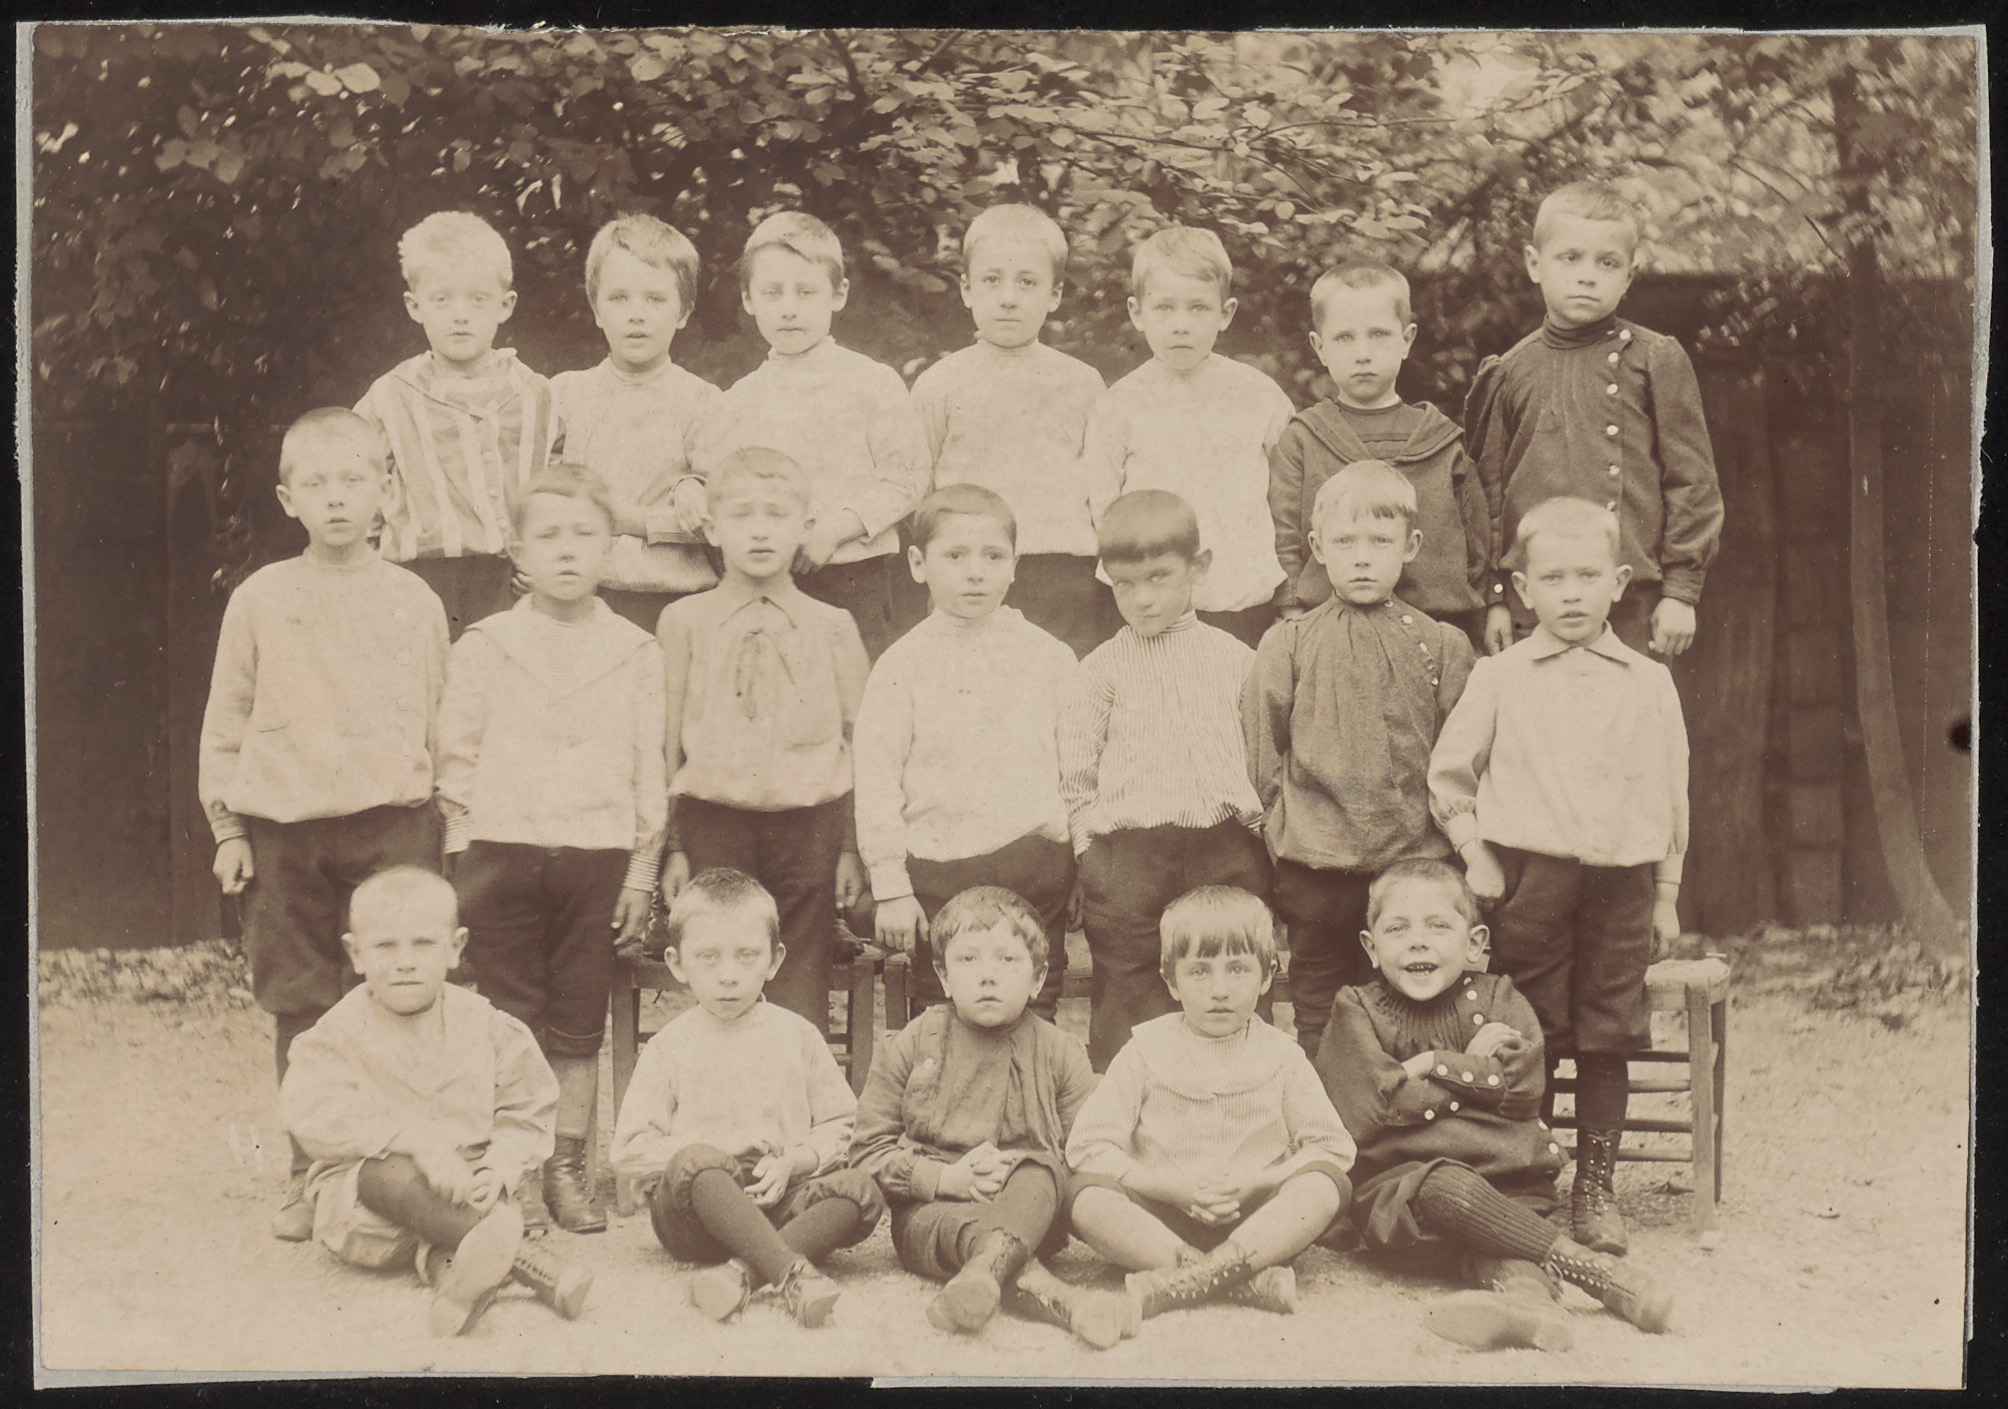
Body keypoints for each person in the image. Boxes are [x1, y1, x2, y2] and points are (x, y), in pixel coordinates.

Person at [198, 407, 450, 1242]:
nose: (336, 498)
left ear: (385, 491)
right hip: (287, 833)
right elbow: (227, 720)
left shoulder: (413, 599)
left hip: (394, 828)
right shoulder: (260, 599)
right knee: (302, 1002)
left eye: (353, 480)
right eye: (316, 483)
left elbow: (443, 718)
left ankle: (401, 1168)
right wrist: (229, 827)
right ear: (287, 499)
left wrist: (449, 822)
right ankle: (310, 1169)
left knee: (400, 990)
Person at [1428, 496, 1689, 1256]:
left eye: (1587, 576)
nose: (1571, 594)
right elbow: (1449, 774)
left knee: (1608, 1030)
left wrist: (1667, 895)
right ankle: (1529, 1180)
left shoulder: (1648, 682)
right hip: (1530, 882)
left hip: (1623, 882)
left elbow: (1671, 794)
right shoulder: (1501, 675)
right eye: (1552, 578)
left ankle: (1595, 1189)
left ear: (1620, 582)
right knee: (1529, 1030)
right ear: (1522, 588)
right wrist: (1475, 851)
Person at [436, 461, 666, 1234]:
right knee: (510, 1018)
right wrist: (465, 858)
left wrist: (640, 873)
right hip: (501, 853)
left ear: (610, 548)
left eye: (585, 534)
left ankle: (568, 1165)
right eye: (549, 536)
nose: (567, 550)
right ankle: (519, 1170)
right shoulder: (488, 643)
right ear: (518, 552)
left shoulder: (635, 649)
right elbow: (456, 754)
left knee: (577, 1017)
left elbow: (648, 769)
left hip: (596, 858)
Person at [1313, 859, 1673, 1346]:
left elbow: (1521, 1090)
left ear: (1475, 943)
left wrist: (1425, 1067)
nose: (1418, 941)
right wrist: (1468, 1067)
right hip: (1407, 1205)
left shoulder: (1500, 997)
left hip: (1508, 1191)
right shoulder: (1356, 1009)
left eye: (1438, 926)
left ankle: (1529, 1309)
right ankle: (1595, 1272)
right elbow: (1372, 1108)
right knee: (1445, 1183)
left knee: (1506, 1250)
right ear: (1371, 948)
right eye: (1397, 928)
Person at [278, 867, 592, 1337]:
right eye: (385, 946)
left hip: (467, 1190)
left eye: (423, 944)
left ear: (455, 948)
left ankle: (458, 1283)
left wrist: (499, 1168)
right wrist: (414, 1143)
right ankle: (535, 1265)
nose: (404, 962)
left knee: (454, 1242)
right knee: (386, 1172)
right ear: (355, 954)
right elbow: (311, 1114)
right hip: (373, 1208)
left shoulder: (488, 1027)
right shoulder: (335, 1035)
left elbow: (528, 1106)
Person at [1243, 463, 1476, 1062]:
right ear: (1318, 548)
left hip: (1411, 867)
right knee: (1319, 1006)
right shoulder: (1288, 643)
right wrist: (1285, 834)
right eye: (1345, 542)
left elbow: (1458, 757)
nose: (1363, 558)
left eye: (1380, 541)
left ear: (1411, 547)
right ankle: (1328, 1115)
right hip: (1316, 868)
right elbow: (1263, 753)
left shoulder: (1442, 645)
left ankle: (1404, 1112)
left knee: (1407, 1006)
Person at [848, 886, 1131, 1348]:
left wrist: (1024, 1176)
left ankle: (985, 1275)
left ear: (1038, 979)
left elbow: (1089, 1152)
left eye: (1007, 960)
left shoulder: (1061, 1053)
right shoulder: (912, 1043)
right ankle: (1064, 1300)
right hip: (934, 1217)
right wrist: (944, 1179)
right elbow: (865, 1152)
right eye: (968, 960)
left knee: (1039, 1169)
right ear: (943, 976)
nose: (987, 976)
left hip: (1032, 1213)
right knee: (961, 1228)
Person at [609, 869, 885, 1328]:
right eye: (708, 958)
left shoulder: (798, 1035)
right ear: (677, 964)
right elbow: (628, 1151)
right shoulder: (669, 1046)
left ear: (774, 961)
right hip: (695, 1219)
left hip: (778, 1205)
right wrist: (718, 1146)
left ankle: (743, 1274)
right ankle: (789, 1271)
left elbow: (843, 1124)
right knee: (697, 1160)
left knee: (860, 1190)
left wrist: (793, 1161)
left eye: (746, 956)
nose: (728, 976)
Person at [1064, 887, 1355, 1321]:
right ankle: (1236, 1278)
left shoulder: (1282, 1054)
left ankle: (1200, 1274)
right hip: (1162, 1218)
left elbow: (1331, 1146)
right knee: (1085, 1196)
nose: (1220, 990)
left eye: (1237, 969)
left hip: (1256, 1220)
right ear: (1171, 982)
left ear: (1266, 976)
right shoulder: (1145, 1049)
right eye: (1199, 972)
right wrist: (1167, 1187)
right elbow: (1089, 1146)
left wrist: (1259, 1180)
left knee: (1326, 1185)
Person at [657, 448, 871, 1034]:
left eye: (776, 515)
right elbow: (667, 744)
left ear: (805, 525)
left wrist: (851, 846)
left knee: (799, 972)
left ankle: (797, 1083)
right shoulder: (684, 622)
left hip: (811, 826)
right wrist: (673, 845)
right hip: (713, 821)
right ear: (711, 527)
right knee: (721, 967)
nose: (759, 530)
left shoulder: (833, 626)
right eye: (741, 514)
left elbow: (862, 744)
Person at [1463, 180, 1724, 658]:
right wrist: (1495, 598)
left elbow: (1693, 483)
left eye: (1607, 263)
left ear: (1629, 276)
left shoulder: (1655, 360)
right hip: (1533, 601)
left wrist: (1681, 591)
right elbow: (1489, 497)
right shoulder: (1509, 372)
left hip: (1630, 596)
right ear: (1534, 264)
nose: (1587, 276)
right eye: (1570, 258)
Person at [1058, 489, 1271, 1071]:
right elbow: (1077, 772)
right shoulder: (1101, 668)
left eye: (1159, 577)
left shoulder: (1237, 660)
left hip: (1223, 848)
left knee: (1230, 974)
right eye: (1125, 584)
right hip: (1128, 858)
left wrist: (1257, 836)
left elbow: (1263, 754)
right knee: (1128, 991)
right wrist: (1089, 851)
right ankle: (1125, 1108)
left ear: (1197, 568)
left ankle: (1243, 1097)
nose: (1143, 598)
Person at [853, 484, 1079, 1019]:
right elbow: (877, 779)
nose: (975, 572)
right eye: (955, 556)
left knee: (1033, 1007)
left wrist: (1081, 868)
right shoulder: (901, 664)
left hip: (1034, 867)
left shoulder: (1050, 658)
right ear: (918, 563)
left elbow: (1078, 772)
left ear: (1015, 565)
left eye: (993, 556)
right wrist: (891, 885)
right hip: (939, 872)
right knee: (945, 1014)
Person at [690, 211, 929, 659]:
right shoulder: (738, 400)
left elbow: (906, 480)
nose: (789, 308)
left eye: (805, 292)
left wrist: (834, 531)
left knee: (853, 689)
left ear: (838, 294)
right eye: (772, 293)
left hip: (854, 575)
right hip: (766, 580)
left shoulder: (871, 382)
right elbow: (711, 483)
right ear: (748, 300)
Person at [909, 204, 1114, 657]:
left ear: (1054, 295)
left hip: (1062, 576)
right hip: (969, 574)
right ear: (966, 289)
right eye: (991, 280)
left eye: (1027, 282)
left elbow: (1103, 487)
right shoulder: (940, 385)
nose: (1008, 298)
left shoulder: (1082, 383)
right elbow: (918, 492)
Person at [1083, 225, 1295, 649]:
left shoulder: (1259, 395)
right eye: (1164, 308)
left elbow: (1290, 490)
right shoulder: (1119, 403)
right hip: (1150, 602)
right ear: (1137, 312)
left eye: (1198, 308)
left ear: (1225, 313)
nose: (1181, 325)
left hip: (1239, 596)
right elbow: (1104, 506)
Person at [354, 211, 563, 638]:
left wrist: (543, 556)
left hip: (509, 582)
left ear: (505, 305)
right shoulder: (390, 397)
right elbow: (359, 484)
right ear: (415, 306)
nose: (460, 315)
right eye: (442, 299)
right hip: (417, 578)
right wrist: (367, 564)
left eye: (478, 299)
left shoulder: (537, 395)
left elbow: (558, 486)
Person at [1269, 261, 1490, 647]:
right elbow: (1283, 533)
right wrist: (1292, 613)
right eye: (1344, 338)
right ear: (1319, 348)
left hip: (1434, 632)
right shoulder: (1303, 439)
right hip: (1331, 631)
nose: (1363, 354)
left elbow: (1477, 543)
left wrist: (1485, 610)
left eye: (1379, 335)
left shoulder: (1441, 441)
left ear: (1406, 340)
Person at [549, 214, 722, 631]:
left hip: (673, 599)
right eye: (619, 298)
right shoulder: (564, 395)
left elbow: (720, 518)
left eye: (655, 299)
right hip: (580, 593)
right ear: (596, 310)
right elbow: (538, 492)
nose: (637, 315)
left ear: (683, 312)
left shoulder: (702, 401)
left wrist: (635, 520)